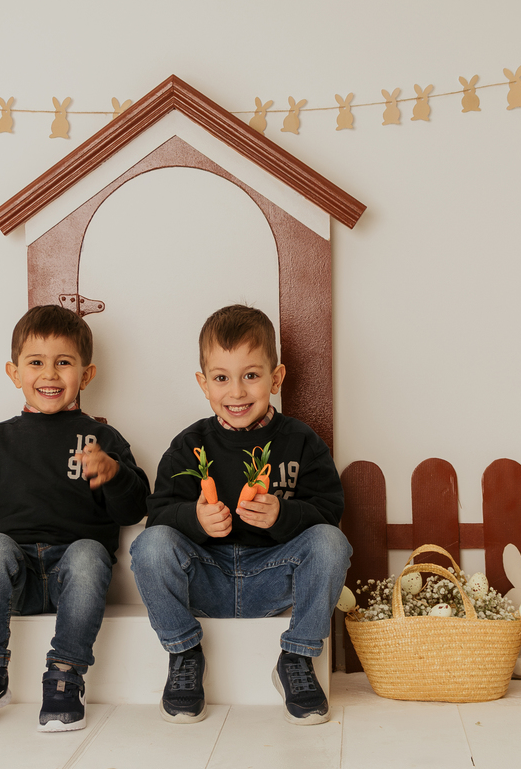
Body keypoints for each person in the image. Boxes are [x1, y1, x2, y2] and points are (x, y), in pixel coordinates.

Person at [130, 304, 351, 726]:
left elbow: (330, 512)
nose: (236, 392)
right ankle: (183, 655)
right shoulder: (188, 444)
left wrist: (283, 515)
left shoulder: (302, 442)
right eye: (221, 378)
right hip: (206, 576)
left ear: (276, 377)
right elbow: (156, 516)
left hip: (274, 575)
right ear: (203, 384)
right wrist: (195, 519)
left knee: (331, 543)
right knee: (151, 546)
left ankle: (297, 658)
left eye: (251, 375)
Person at [0, 305, 150, 732]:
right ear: (14, 372)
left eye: (63, 363)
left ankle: (65, 676)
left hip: (73, 578)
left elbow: (133, 511)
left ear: (86, 375)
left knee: (91, 553)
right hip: (14, 580)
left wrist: (113, 474)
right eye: (36, 363)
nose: (49, 375)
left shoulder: (102, 439)